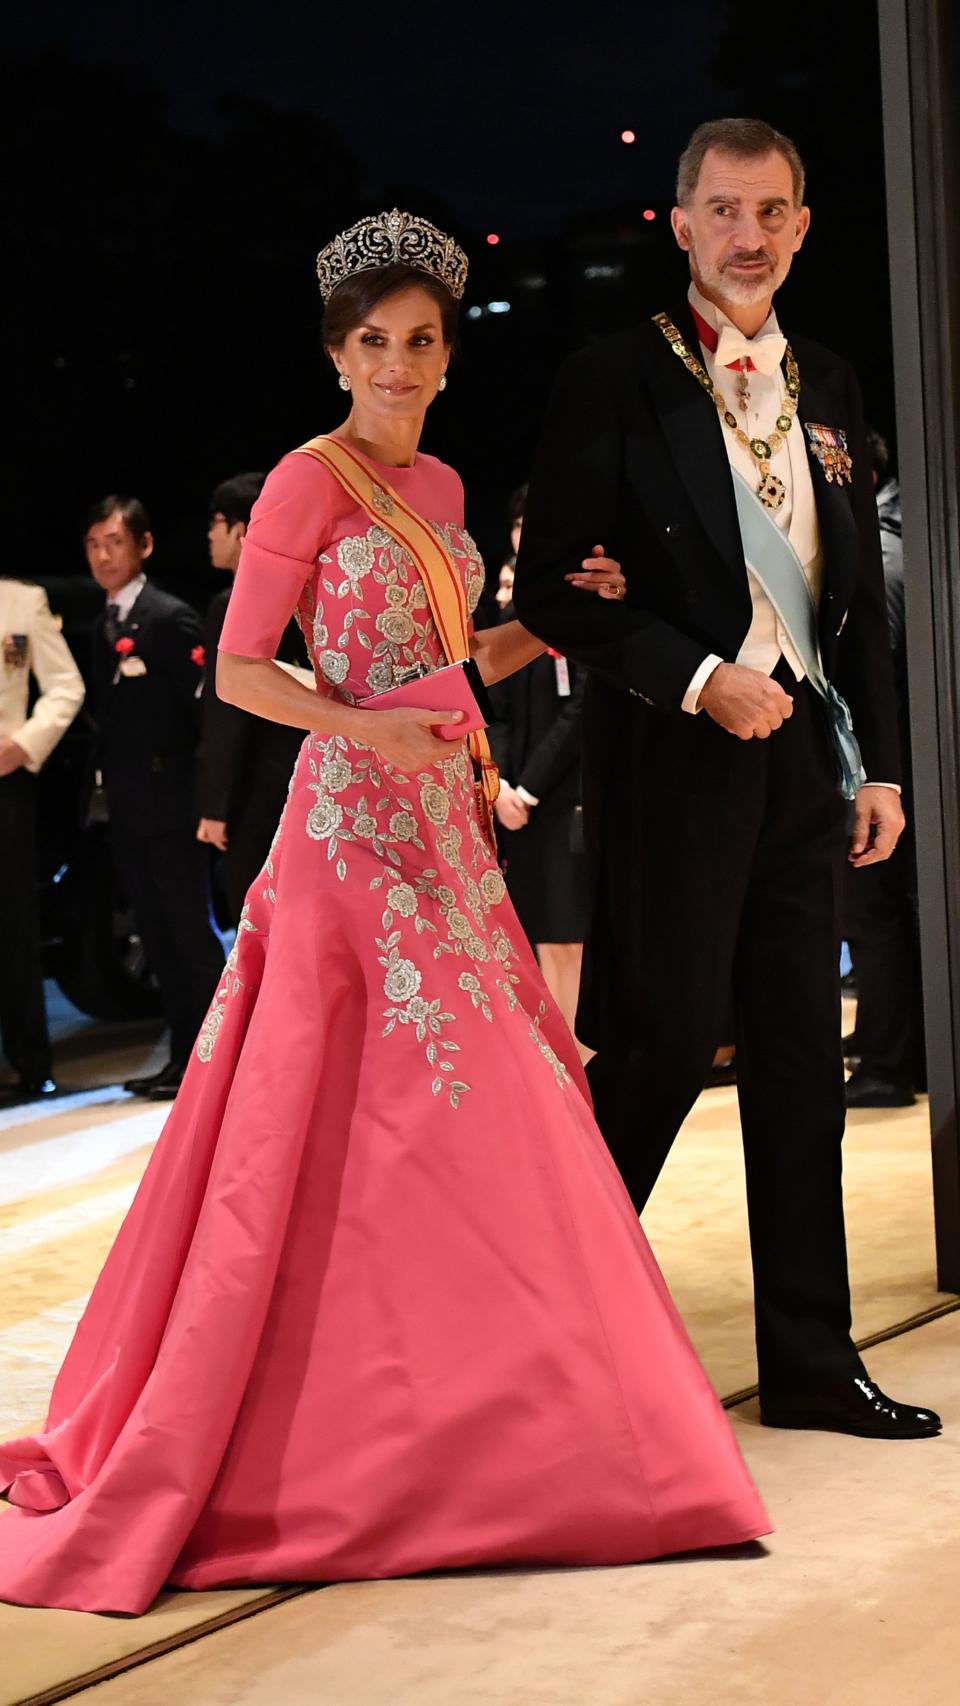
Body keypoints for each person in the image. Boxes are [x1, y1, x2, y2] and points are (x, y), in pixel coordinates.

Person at [0, 210, 768, 1615]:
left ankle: (515, 1428)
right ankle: (366, 1432)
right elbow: (241, 673)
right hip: (353, 837)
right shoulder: (307, 480)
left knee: (492, 1120)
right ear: (336, 351)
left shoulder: (453, 484)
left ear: (447, 352)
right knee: (358, 1120)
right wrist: (368, 731)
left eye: (422, 342)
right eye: (375, 344)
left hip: (446, 834)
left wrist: (551, 621)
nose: (400, 366)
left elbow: (453, 661)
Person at [514, 119, 940, 1440]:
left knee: (805, 1062)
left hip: (808, 767)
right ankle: (547, 1342)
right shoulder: (611, 377)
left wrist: (872, 766)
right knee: (654, 1046)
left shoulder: (838, 382)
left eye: (773, 212)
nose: (749, 237)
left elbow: (854, 605)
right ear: (681, 223)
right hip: (673, 762)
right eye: (724, 211)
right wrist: (699, 675)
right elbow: (551, 595)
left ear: (803, 227)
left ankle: (812, 1359)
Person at [84, 497, 224, 1100]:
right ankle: (180, 1057)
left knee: (190, 935)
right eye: (93, 544)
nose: (103, 555)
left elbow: (204, 716)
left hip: (174, 802)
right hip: (130, 807)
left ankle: (217, 1060)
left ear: (143, 546)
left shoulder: (168, 617)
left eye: (115, 542)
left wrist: (208, 799)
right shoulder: (102, 623)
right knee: (156, 934)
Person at [489, 484, 590, 1046]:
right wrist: (499, 783)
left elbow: (582, 709)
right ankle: (555, 1059)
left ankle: (580, 1060)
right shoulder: (510, 613)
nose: (525, 538)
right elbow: (495, 709)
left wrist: (526, 790)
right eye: (519, 526)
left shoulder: (583, 610)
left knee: (568, 936)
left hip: (564, 797)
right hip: (515, 806)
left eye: (537, 527)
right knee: (536, 934)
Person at [843, 429, 924, 1107]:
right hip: (900, 768)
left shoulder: (883, 553)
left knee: (874, 914)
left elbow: (875, 685)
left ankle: (886, 1064)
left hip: (887, 772)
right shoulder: (892, 540)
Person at [197, 472, 306, 924]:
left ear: (242, 530)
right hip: (308, 782)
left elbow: (228, 714)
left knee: (258, 923)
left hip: (256, 792)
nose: (209, 535)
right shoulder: (304, 592)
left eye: (216, 522)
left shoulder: (235, 601)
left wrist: (215, 806)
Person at [0, 577, 85, 1105]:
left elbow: (65, 685)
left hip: (5, 780)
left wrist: (24, 743)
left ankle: (31, 1062)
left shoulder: (19, 600)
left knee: (12, 924)